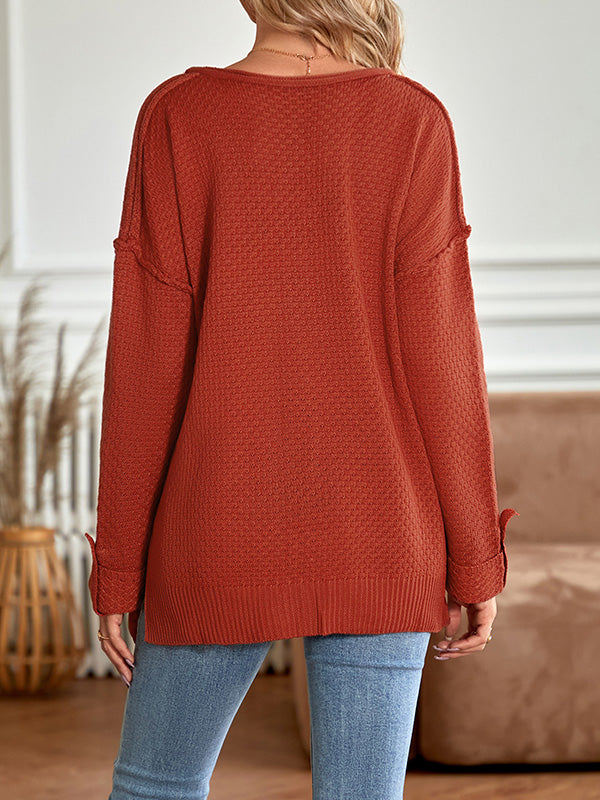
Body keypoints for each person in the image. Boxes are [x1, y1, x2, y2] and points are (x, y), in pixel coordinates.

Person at [86, 1, 519, 797]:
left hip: (216, 531)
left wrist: (118, 565)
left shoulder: (179, 116)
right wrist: (475, 560)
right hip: (380, 531)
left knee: (156, 788)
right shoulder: (412, 119)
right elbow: (445, 363)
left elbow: (146, 364)